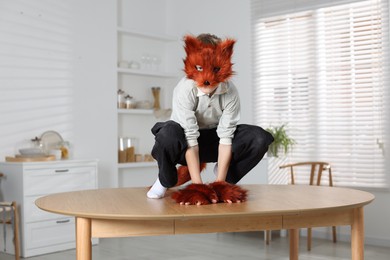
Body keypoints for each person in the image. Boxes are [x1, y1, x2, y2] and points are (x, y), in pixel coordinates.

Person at [147, 33, 273, 203]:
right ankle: (164, 180)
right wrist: (198, 187)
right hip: (184, 143)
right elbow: (190, 138)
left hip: (214, 140)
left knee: (259, 137)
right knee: (167, 134)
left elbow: (226, 138)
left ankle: (224, 175)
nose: (207, 79)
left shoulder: (230, 91)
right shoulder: (185, 89)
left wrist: (220, 183)